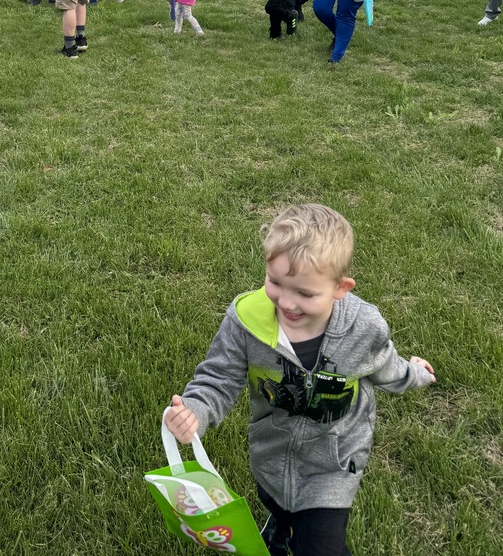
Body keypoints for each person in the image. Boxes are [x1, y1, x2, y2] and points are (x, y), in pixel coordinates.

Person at [164, 204, 434, 556]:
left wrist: (417, 373)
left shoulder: (363, 329)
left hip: (333, 464)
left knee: (321, 546)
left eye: (305, 293)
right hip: (271, 455)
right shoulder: (246, 321)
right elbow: (218, 377)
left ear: (341, 288)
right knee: (279, 505)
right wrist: (196, 411)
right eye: (275, 283)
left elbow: (388, 369)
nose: (286, 302)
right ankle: (277, 527)